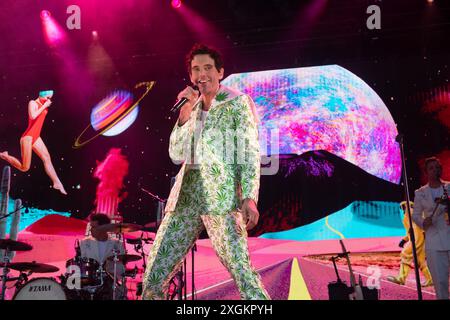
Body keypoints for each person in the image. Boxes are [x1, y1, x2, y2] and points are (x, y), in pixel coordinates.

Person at [142, 43, 270, 300]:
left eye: (208, 68)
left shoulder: (237, 103)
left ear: (220, 72)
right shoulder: (191, 107)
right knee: (154, 275)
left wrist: (249, 197)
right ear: (190, 76)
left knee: (243, 274)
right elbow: (176, 154)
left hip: (221, 200)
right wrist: (184, 115)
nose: (202, 74)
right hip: (185, 201)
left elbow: (248, 153)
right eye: (196, 69)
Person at [0, 90, 67, 195]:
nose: (49, 100)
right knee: (25, 168)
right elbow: (33, 116)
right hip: (28, 137)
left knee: (47, 158)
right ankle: (5, 156)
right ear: (42, 95)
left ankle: (57, 182)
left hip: (36, 137)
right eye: (47, 97)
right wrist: (44, 106)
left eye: (50, 98)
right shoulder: (33, 103)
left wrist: (44, 104)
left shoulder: (42, 103)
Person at [412, 157, 450, 299]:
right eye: (431, 168)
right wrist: (423, 222)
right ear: (426, 172)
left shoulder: (448, 188)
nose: (435, 170)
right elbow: (415, 215)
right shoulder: (420, 193)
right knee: (440, 283)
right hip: (434, 242)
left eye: (437, 167)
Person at [80, 213, 126, 299]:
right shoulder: (85, 243)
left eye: (94, 227)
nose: (91, 230)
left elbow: (121, 268)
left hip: (111, 285)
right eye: (91, 227)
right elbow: (82, 265)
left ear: (105, 228)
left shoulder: (117, 244)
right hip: (90, 285)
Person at [387, 201, 433, 287]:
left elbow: (419, 229)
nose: (402, 209)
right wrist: (404, 240)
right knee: (420, 261)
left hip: (417, 239)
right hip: (419, 239)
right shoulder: (409, 216)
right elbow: (411, 231)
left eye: (403, 207)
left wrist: (419, 238)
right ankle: (430, 279)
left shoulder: (412, 214)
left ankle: (401, 278)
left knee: (405, 254)